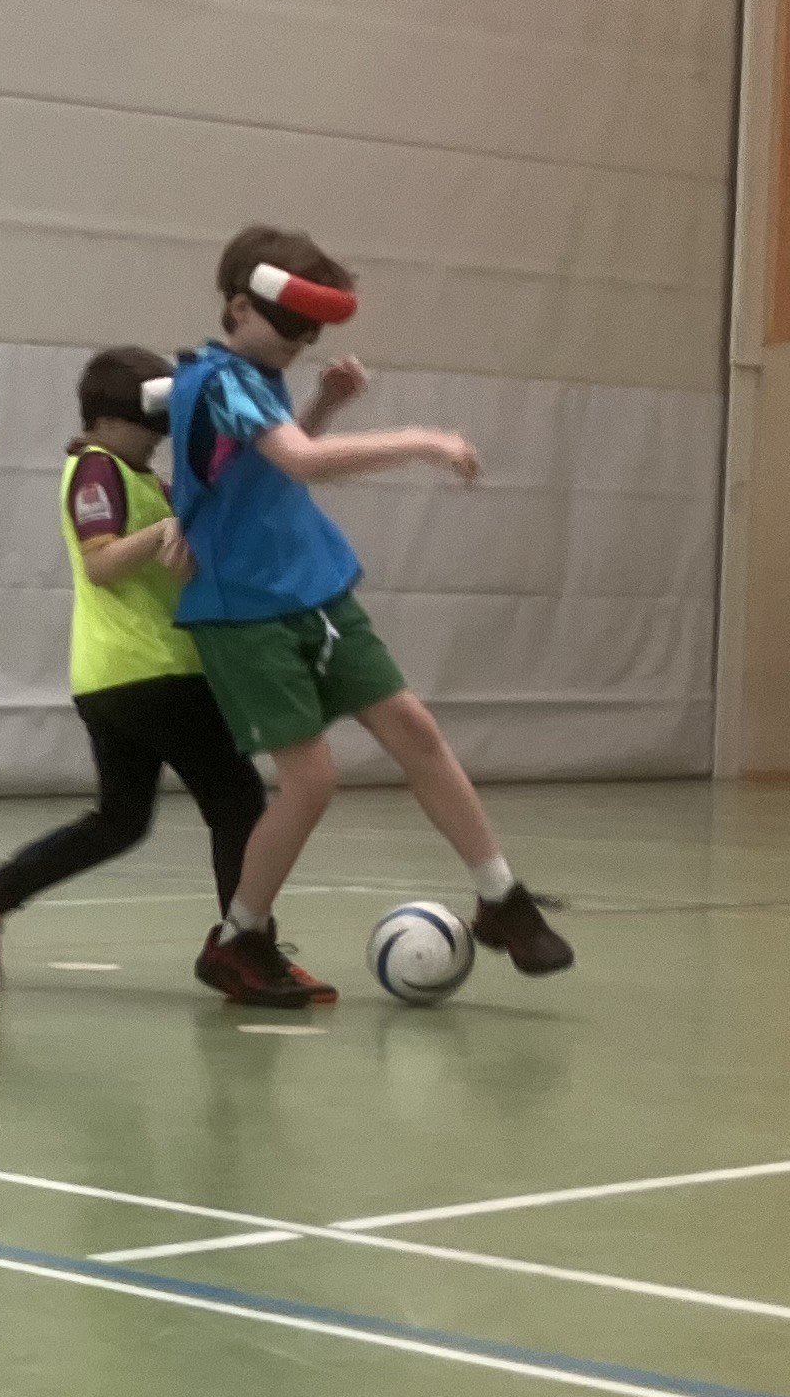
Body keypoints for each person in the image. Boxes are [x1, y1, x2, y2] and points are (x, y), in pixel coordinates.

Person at [165, 225, 573, 1008]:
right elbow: (301, 463)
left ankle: (500, 896)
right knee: (311, 782)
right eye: (288, 330)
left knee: (416, 731)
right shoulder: (216, 379)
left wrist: (323, 400)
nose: (297, 346)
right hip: (246, 611)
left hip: (312, 588)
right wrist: (421, 439)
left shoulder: (259, 379)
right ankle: (238, 939)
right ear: (237, 307)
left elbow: (264, 465)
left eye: (308, 337)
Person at [0, 350, 266, 980]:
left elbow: (217, 509)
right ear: (111, 419)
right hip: (154, 672)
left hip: (112, 679)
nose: (161, 435)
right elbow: (102, 561)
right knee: (237, 802)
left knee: (121, 820)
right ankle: (244, 948)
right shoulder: (96, 469)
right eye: (154, 423)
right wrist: (165, 531)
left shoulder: (142, 480)